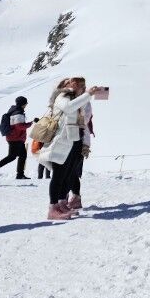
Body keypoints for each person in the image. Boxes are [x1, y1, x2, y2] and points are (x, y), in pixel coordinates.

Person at [38, 78, 105, 220]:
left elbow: (83, 117)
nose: (76, 85)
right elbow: (69, 108)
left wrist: (88, 96)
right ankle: (53, 208)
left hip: (72, 140)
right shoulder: (62, 96)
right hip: (61, 141)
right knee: (58, 175)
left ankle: (61, 204)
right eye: (72, 83)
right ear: (65, 85)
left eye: (79, 84)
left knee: (66, 174)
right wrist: (87, 94)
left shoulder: (74, 98)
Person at [66, 77, 93, 211]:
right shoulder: (67, 100)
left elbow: (83, 121)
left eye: (76, 86)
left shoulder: (85, 102)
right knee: (66, 171)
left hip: (79, 140)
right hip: (66, 139)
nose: (73, 88)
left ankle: (73, 198)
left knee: (71, 171)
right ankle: (68, 197)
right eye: (71, 85)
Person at [0, 96, 29, 181]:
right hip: (15, 138)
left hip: (15, 138)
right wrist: (30, 123)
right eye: (26, 103)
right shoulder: (18, 112)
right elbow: (19, 126)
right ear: (22, 104)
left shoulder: (14, 111)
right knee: (11, 157)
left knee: (22, 155)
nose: (26, 104)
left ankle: (20, 174)